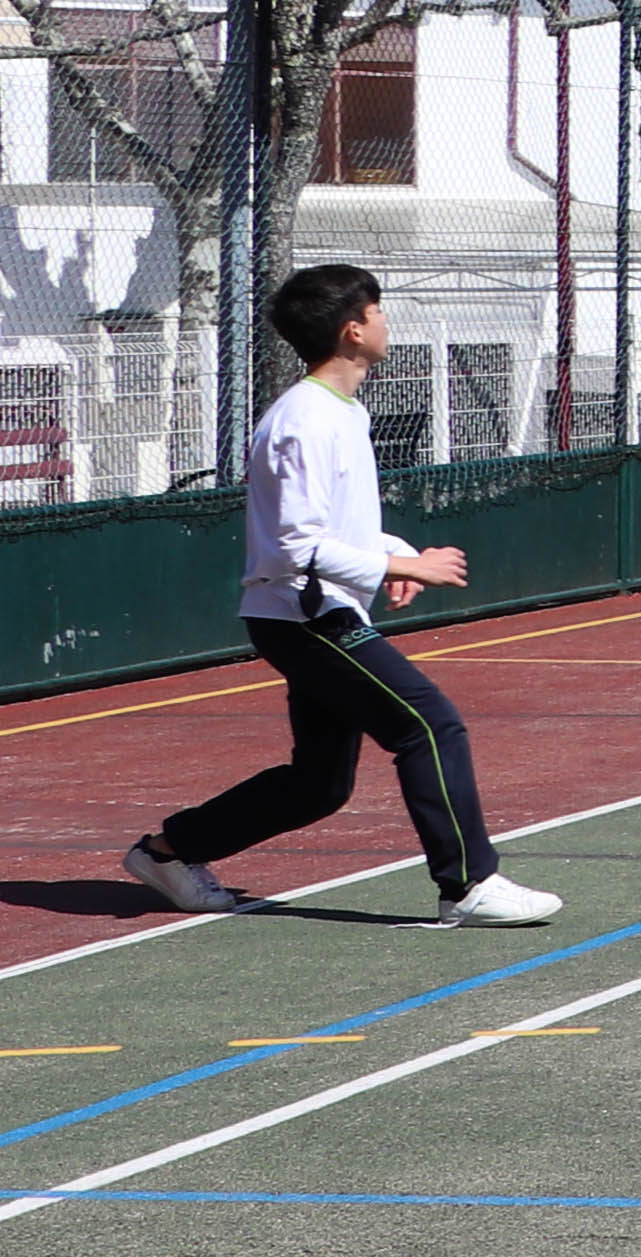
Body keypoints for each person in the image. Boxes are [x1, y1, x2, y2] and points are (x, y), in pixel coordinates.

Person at [122, 264, 563, 928]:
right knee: (428, 724)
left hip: (319, 608)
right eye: (378, 310)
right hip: (302, 616)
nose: (387, 321)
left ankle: (168, 852)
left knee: (320, 784)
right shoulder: (303, 421)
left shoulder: (343, 412)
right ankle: (468, 885)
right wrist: (395, 564)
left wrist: (393, 555)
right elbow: (293, 548)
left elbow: (333, 527)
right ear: (353, 330)